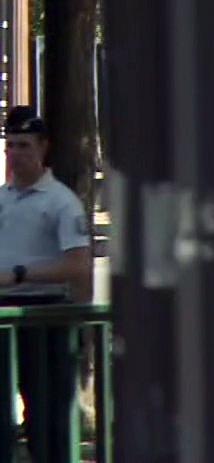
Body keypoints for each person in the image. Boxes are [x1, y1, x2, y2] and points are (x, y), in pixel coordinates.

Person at [0, 107, 92, 463]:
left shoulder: (61, 202)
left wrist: (21, 274)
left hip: (44, 315)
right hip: (5, 315)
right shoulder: (3, 198)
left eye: (24, 146)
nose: (15, 154)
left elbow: (78, 264)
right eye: (10, 146)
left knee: (47, 414)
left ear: (43, 148)